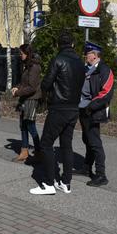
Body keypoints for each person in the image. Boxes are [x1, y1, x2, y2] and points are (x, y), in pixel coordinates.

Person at [30, 31, 84, 196]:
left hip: (59, 108)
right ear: (73, 45)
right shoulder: (80, 62)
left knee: (46, 144)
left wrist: (49, 94)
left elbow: (46, 83)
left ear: (58, 45)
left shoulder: (58, 60)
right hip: (74, 108)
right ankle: (66, 182)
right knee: (66, 145)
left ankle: (48, 183)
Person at [79, 42, 114, 187]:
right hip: (83, 109)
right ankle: (87, 168)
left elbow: (106, 92)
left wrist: (90, 107)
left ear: (94, 55)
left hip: (93, 111)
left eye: (88, 53)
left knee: (95, 143)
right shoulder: (87, 69)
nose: (86, 56)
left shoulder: (104, 70)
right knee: (87, 139)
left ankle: (101, 175)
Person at [11, 44, 42, 162]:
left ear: (27, 53)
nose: (20, 55)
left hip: (31, 99)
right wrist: (16, 87)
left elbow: (32, 87)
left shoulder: (34, 67)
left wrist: (18, 92)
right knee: (23, 125)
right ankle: (24, 151)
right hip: (25, 99)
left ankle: (39, 151)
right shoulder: (28, 66)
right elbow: (24, 83)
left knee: (30, 125)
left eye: (21, 53)